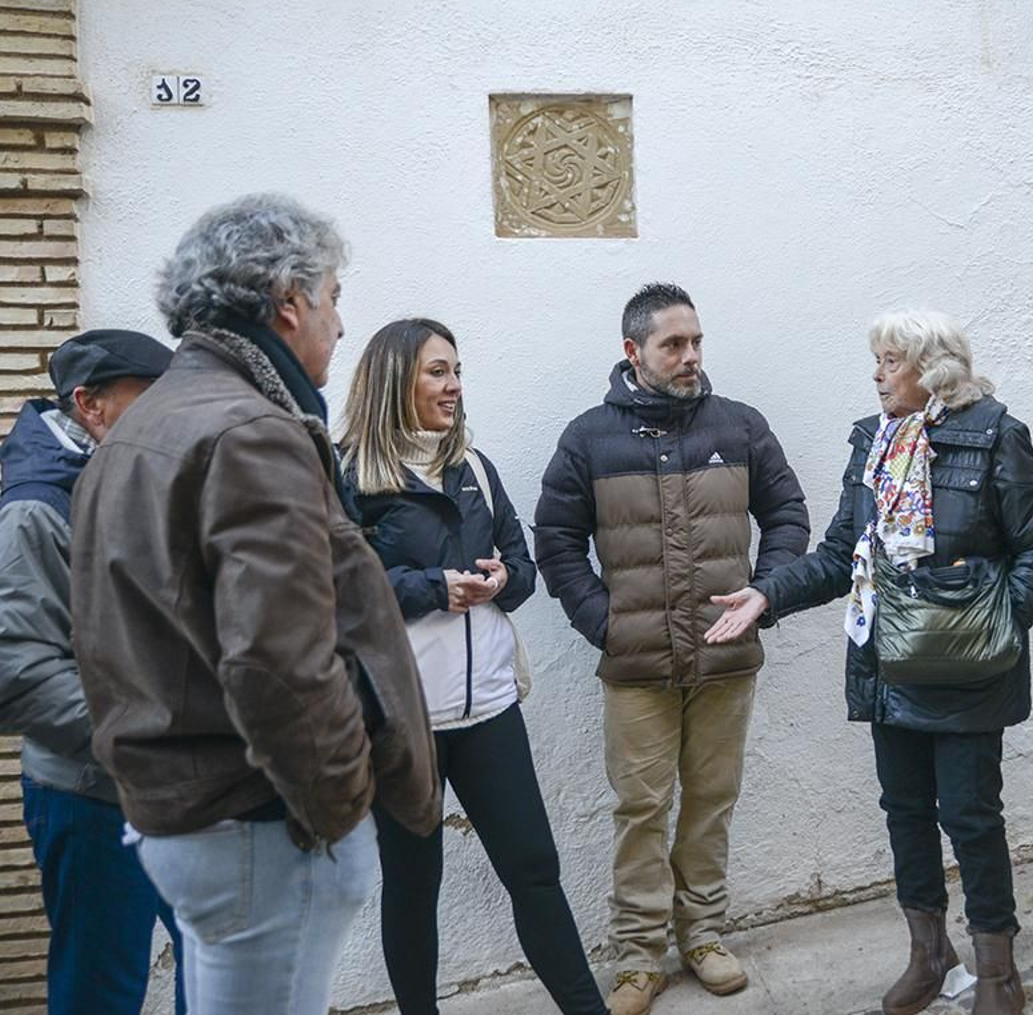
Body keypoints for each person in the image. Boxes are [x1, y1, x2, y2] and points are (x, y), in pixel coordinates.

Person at [69, 194, 442, 1015]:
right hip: (259, 822)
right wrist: (337, 811)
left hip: (192, 814)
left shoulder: (145, 423)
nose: (341, 326)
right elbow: (279, 663)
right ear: (288, 303)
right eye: (334, 299)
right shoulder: (250, 430)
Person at [705, 310, 1033, 1015]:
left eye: (890, 360)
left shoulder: (996, 433)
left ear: (931, 367)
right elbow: (844, 553)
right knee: (905, 810)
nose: (877, 375)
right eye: (876, 360)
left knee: (970, 814)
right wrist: (766, 594)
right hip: (888, 660)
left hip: (967, 668)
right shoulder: (873, 444)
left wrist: (993, 623)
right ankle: (930, 954)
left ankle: (998, 975)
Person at [533, 283, 809, 1015]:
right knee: (643, 808)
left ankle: (706, 936)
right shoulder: (589, 438)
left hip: (725, 659)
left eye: (696, 343)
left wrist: (765, 594)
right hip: (637, 667)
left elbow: (787, 512)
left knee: (712, 802)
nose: (690, 358)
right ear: (634, 352)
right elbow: (555, 542)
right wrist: (606, 623)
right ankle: (637, 956)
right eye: (672, 345)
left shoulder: (740, 426)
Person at [341, 318, 606, 1015]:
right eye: (436, 371)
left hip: (489, 707)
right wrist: (434, 588)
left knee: (535, 871)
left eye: (456, 370)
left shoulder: (476, 470)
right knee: (411, 885)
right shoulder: (351, 479)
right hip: (403, 722)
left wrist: (498, 581)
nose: (454, 384)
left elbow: (522, 567)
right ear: (394, 380)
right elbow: (338, 589)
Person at [0, 330, 183, 1015]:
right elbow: (18, 673)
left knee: (221, 966)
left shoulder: (132, 476)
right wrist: (144, 737)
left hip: (175, 783)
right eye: (150, 404)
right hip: (92, 794)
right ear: (90, 405)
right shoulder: (36, 507)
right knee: (100, 990)